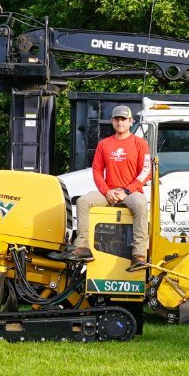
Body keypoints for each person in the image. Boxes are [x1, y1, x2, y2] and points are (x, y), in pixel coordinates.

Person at [73, 104, 152, 262]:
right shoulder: (104, 144)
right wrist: (107, 192)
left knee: (141, 204)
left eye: (124, 119)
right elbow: (96, 170)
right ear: (112, 121)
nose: (120, 122)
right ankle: (83, 247)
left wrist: (127, 191)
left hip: (131, 193)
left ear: (131, 121)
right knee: (82, 201)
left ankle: (139, 254)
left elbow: (146, 172)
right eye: (117, 119)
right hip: (109, 192)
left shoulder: (140, 143)